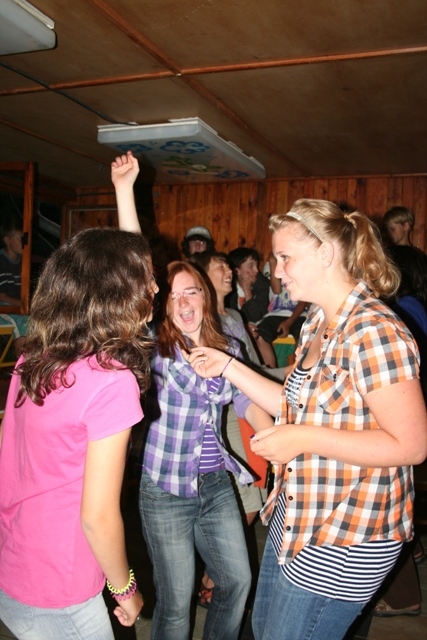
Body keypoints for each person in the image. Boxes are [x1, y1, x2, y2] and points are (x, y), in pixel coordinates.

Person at [186, 198, 427, 640]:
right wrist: (228, 366)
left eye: (285, 257)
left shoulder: (375, 331)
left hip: (347, 531)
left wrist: (301, 438)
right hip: (298, 514)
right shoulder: (317, 320)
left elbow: (411, 445)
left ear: (326, 254)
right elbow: (293, 403)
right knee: (264, 628)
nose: (277, 272)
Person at [111, 150, 274, 640]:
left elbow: (248, 404)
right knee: (176, 604)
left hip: (215, 485)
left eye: (192, 292)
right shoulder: (154, 347)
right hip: (164, 490)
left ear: (205, 296)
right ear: (163, 304)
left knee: (237, 582)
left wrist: (281, 457)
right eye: (174, 295)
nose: (183, 301)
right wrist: (124, 191)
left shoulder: (226, 347)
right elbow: (134, 270)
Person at [0, 227, 157, 639]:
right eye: (146, 277)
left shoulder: (35, 357)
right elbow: (98, 517)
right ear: (116, 291)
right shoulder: (112, 382)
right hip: (58, 583)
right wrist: (126, 590)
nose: (155, 288)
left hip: (13, 557)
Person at [189, 250, 270, 607]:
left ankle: (214, 573)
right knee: (247, 495)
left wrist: (279, 379)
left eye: (228, 266)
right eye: (219, 266)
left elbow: (250, 368)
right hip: (223, 415)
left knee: (254, 495)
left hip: (246, 407)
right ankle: (215, 573)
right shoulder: (200, 321)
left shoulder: (234, 316)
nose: (228, 271)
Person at [257, 251, 307, 367]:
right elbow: (276, 290)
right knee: (259, 334)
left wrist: (289, 322)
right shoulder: (271, 265)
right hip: (275, 314)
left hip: (298, 315)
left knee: (305, 334)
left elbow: (303, 302)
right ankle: (271, 373)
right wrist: (273, 262)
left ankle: (297, 371)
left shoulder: (299, 265)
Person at [227, 247, 271, 364]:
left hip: (261, 323)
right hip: (239, 326)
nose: (256, 270)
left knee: (259, 334)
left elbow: (256, 315)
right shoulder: (229, 287)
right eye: (251, 266)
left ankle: (270, 373)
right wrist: (244, 326)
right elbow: (229, 315)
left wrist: (248, 292)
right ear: (236, 271)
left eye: (256, 265)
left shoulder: (262, 284)